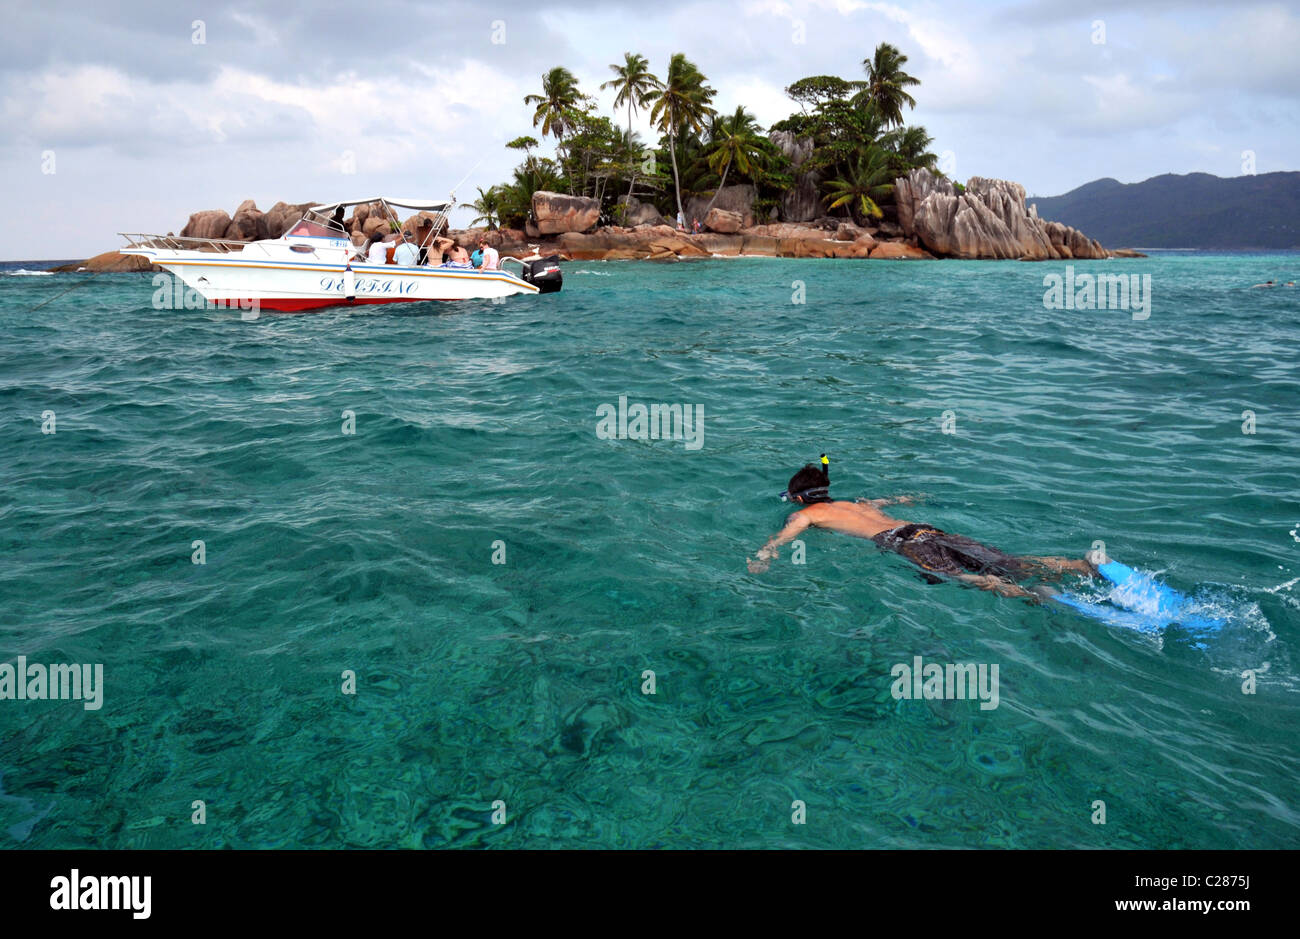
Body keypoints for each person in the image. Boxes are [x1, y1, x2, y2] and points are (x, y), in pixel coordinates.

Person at [747, 455, 1096, 600]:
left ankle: (1026, 595)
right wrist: (912, 497)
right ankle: (1079, 566)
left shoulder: (807, 516)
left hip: (900, 542)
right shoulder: (857, 503)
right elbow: (893, 500)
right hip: (924, 528)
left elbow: (780, 540)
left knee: (958, 576)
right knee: (1008, 560)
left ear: (797, 499)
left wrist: (763, 557)